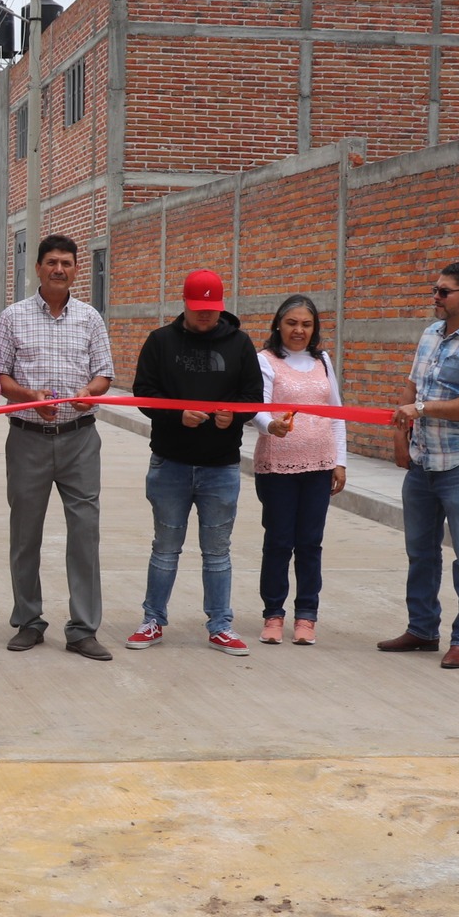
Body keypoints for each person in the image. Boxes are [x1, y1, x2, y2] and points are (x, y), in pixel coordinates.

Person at [127, 268, 263, 656]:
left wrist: (232, 416)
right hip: (170, 463)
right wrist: (177, 415)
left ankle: (220, 625)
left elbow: (253, 397)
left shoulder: (239, 344)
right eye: (199, 308)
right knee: (166, 547)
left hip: (220, 466)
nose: (206, 315)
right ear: (184, 303)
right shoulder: (160, 342)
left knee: (217, 550)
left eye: (212, 309)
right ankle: (153, 619)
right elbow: (144, 394)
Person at [0, 234, 116, 661]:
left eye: (67, 262)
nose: (59, 269)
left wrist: (90, 392)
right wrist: (29, 397)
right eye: (51, 262)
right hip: (28, 439)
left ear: (77, 269)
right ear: (38, 268)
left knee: (84, 535)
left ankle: (83, 628)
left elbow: (105, 373)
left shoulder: (90, 318)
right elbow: (0, 378)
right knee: (25, 535)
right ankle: (28, 621)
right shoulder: (13, 317)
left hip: (80, 439)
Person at [379, 261, 459, 671]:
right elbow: (412, 386)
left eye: (444, 292)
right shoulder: (430, 334)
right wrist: (402, 436)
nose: (435, 297)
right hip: (423, 462)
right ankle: (422, 629)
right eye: (435, 290)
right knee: (420, 551)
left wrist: (420, 409)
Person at [251, 295, 348, 647]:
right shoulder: (265, 361)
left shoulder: (322, 360)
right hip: (277, 466)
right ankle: (273, 614)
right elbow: (257, 407)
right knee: (278, 542)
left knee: (310, 544)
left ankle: (307, 615)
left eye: (306, 324)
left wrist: (340, 460)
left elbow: (336, 413)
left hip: (319, 466)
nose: (299, 330)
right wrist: (270, 426)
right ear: (279, 324)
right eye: (292, 323)